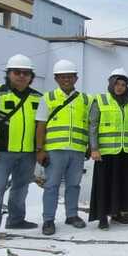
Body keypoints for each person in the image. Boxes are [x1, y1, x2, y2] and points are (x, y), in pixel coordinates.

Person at [0, 54, 42, 243]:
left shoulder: (37, 97)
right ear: (9, 73)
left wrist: (39, 149)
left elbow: (42, 125)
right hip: (0, 152)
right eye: (17, 72)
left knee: (20, 188)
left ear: (31, 76)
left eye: (26, 73)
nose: (21, 76)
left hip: (27, 153)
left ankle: (16, 219)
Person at [35, 60, 88, 236]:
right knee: (51, 185)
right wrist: (40, 149)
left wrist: (88, 146)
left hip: (77, 149)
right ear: (56, 78)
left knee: (74, 185)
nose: (66, 79)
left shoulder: (85, 99)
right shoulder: (48, 98)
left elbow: (89, 124)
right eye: (62, 77)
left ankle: (72, 215)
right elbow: (41, 125)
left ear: (76, 78)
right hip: (55, 150)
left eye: (70, 76)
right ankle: (48, 219)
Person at [88, 68, 128, 229]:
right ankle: (102, 216)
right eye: (117, 84)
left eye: (123, 84)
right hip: (106, 152)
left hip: (126, 152)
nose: (120, 87)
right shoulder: (101, 100)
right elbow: (93, 125)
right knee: (104, 185)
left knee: (122, 184)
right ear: (111, 84)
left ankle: (117, 214)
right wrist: (94, 148)